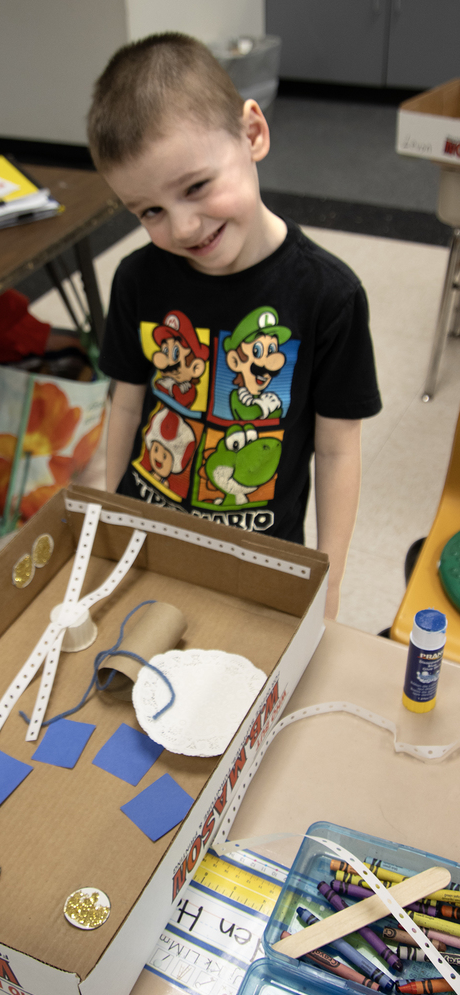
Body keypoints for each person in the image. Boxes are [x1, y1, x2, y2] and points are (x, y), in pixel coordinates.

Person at [87, 33, 381, 620]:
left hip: (260, 554)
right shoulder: (137, 279)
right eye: (150, 211)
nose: (185, 226)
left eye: (196, 187)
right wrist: (108, 513)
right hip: (151, 535)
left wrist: (328, 578)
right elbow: (125, 402)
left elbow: (338, 449)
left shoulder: (330, 295)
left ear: (252, 133)